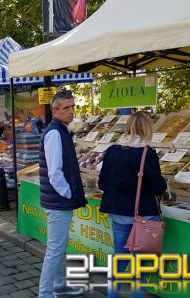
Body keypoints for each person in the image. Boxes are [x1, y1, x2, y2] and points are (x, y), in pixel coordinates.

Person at [98, 111, 167, 298]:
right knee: (141, 263)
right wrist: (165, 184)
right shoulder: (147, 153)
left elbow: (102, 183)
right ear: (147, 128)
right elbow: (157, 186)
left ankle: (113, 295)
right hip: (142, 214)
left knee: (120, 257)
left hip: (118, 212)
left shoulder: (112, 150)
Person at [38, 91, 87, 298]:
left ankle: (59, 285)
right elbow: (54, 172)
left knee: (58, 247)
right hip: (58, 201)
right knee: (55, 250)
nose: (71, 111)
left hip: (58, 200)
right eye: (66, 107)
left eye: (72, 106)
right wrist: (67, 194)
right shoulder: (55, 133)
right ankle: (45, 293)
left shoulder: (62, 130)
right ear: (54, 110)